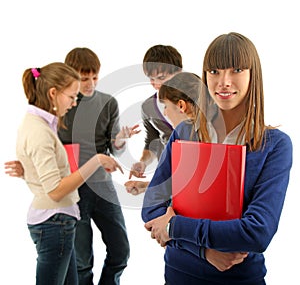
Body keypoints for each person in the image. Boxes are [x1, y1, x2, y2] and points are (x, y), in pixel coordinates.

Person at [141, 32, 293, 284]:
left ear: (252, 75)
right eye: (214, 71)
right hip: (179, 274)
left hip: (240, 278)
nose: (223, 81)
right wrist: (204, 251)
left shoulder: (274, 145)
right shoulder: (184, 133)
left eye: (236, 69)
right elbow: (151, 209)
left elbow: (257, 232)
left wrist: (174, 227)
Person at [6, 48, 139, 285]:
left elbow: (112, 148)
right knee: (81, 262)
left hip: (101, 185)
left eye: (94, 77)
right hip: (73, 190)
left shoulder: (107, 103)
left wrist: (120, 140)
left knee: (120, 251)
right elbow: (47, 154)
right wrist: (27, 167)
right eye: (83, 78)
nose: (89, 84)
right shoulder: (56, 109)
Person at [125, 44, 182, 195]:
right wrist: (142, 162)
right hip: (169, 174)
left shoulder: (198, 99)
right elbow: (152, 141)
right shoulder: (148, 107)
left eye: (162, 78)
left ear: (179, 73)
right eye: (151, 79)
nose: (156, 83)